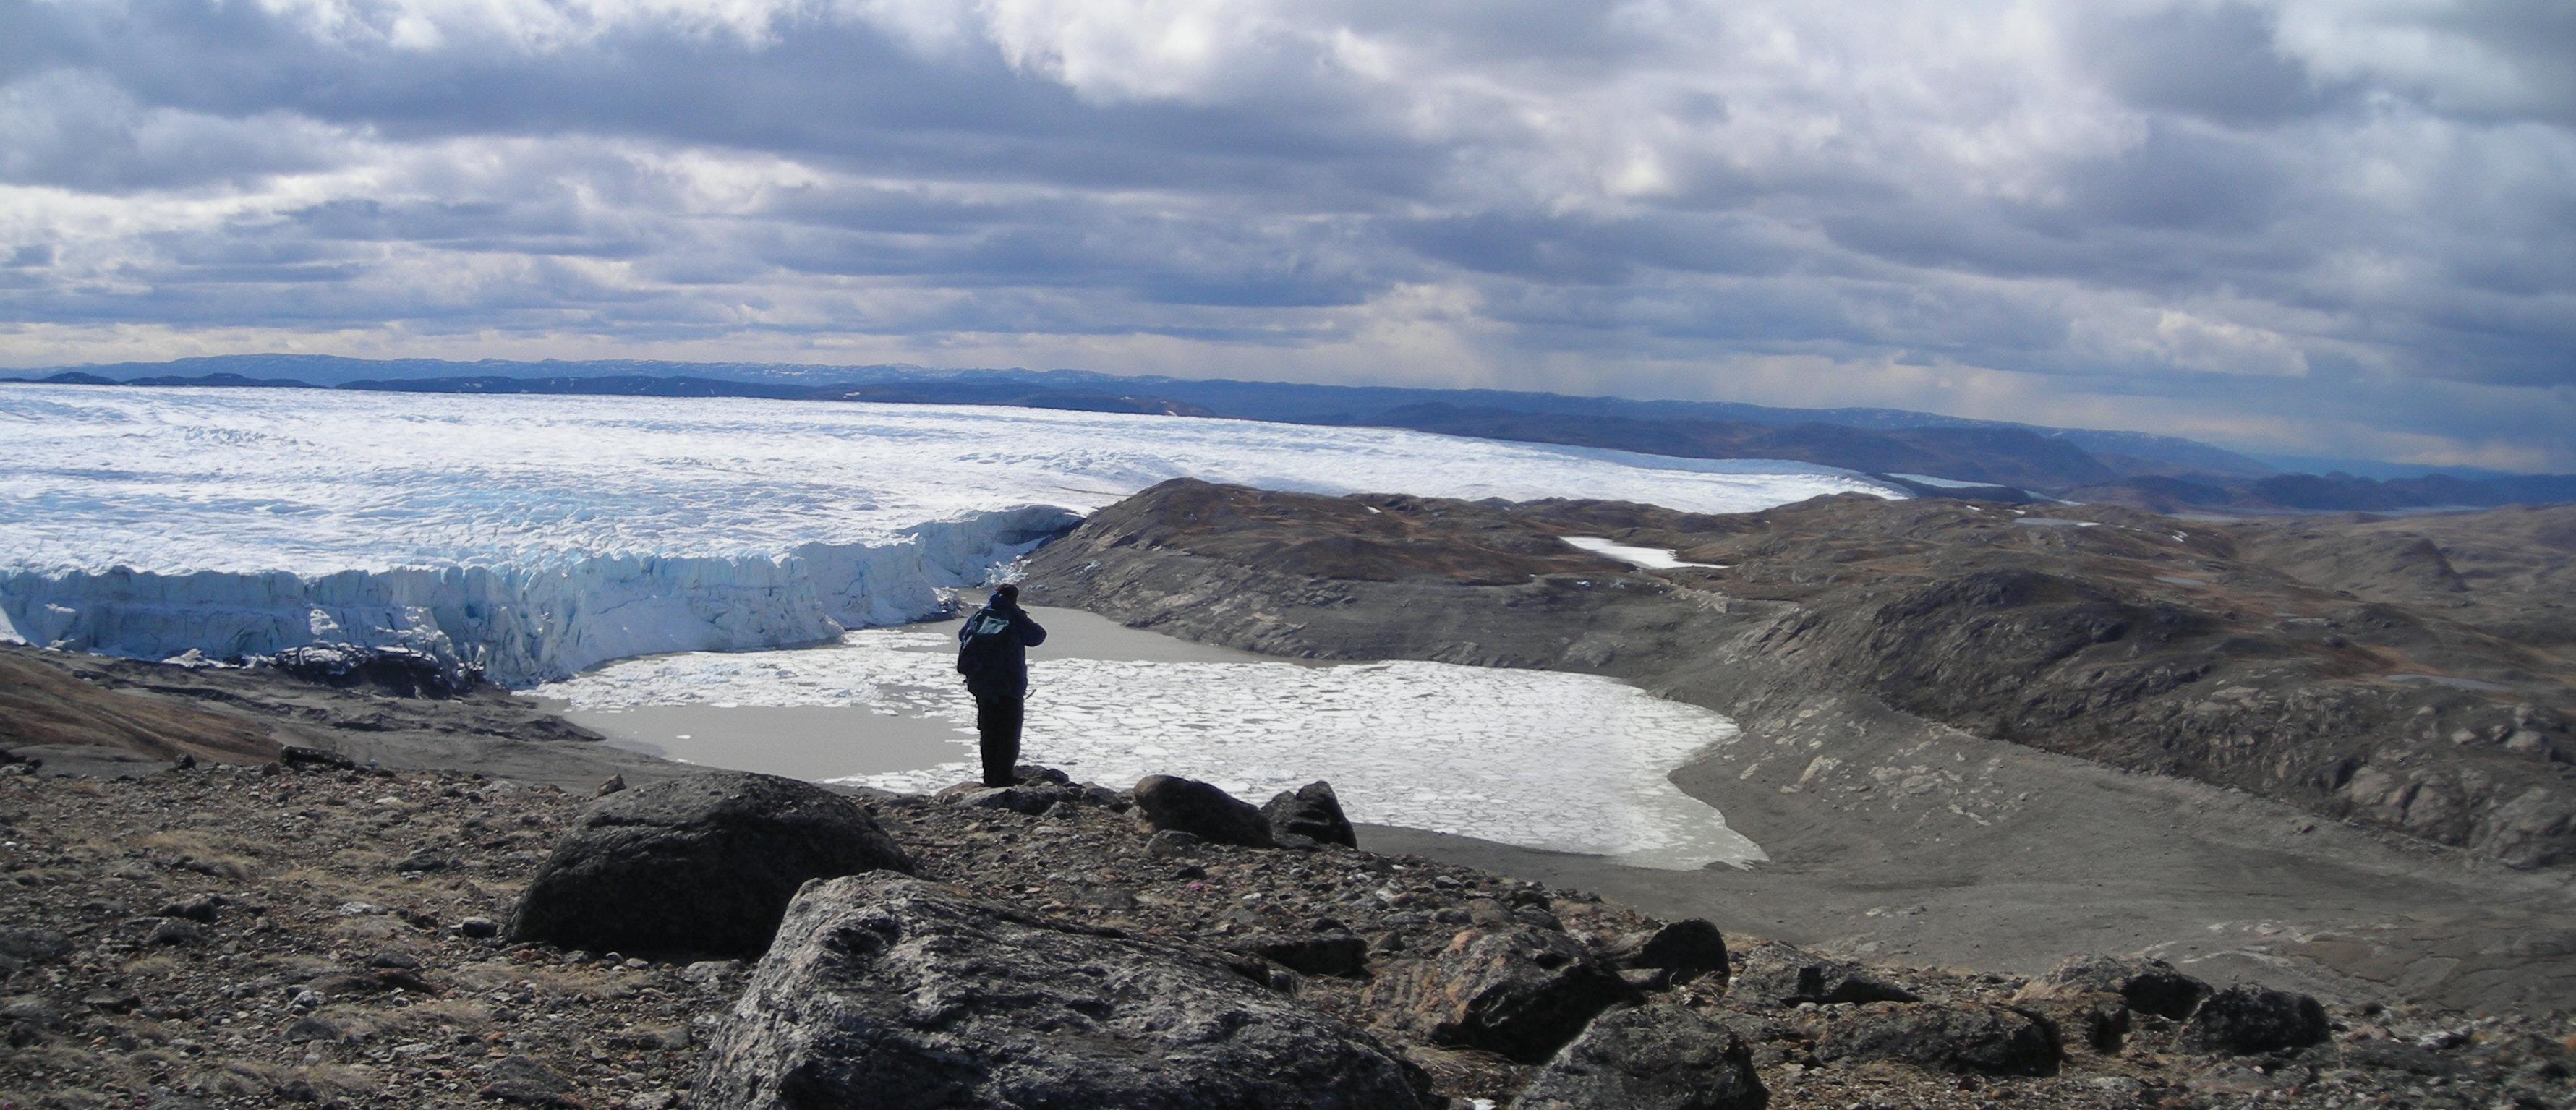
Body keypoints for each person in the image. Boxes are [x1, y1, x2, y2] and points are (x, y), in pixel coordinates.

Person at [955, 583, 1048, 787]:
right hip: (1009, 686)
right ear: (1014, 598)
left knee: (988, 732)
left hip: (983, 687)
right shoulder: (1013, 618)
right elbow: (1037, 637)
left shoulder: (978, 617)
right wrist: (1017, 613)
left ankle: (989, 779)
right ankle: (1004, 779)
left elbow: (963, 637)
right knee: (1009, 733)